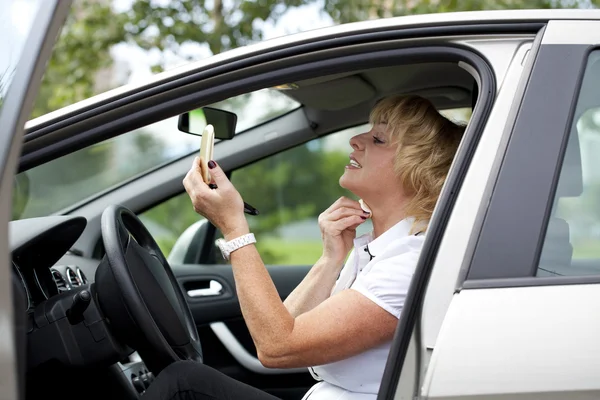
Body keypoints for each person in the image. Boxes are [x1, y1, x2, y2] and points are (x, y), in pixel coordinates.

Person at [142, 94, 465, 400]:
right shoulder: (377, 251)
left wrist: (234, 227)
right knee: (185, 380)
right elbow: (284, 327)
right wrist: (330, 259)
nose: (356, 140)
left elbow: (277, 347)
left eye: (378, 140)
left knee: (182, 385)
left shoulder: (408, 264)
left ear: (420, 173)